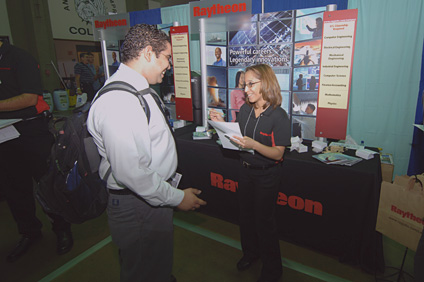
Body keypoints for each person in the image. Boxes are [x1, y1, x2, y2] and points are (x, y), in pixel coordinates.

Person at [87, 24, 206, 282]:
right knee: (143, 270)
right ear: (149, 53)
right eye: (168, 57)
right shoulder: (119, 102)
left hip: (148, 200)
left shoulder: (137, 90)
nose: (170, 65)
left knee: (155, 264)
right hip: (137, 204)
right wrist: (176, 197)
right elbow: (131, 172)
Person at [210, 64, 291, 282]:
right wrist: (221, 125)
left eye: (251, 84)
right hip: (245, 171)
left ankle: (273, 269)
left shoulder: (279, 116)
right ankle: (251, 254)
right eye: (245, 85)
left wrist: (254, 145)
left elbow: (277, 154)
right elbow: (238, 137)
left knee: (265, 222)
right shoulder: (245, 110)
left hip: (267, 175)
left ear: (266, 83)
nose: (246, 89)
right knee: (245, 218)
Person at [0, 39, 73, 262]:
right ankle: (29, 232)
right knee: (15, 189)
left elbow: (30, 98)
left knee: (46, 183)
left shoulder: (19, 58)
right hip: (4, 137)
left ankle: (62, 228)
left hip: (31, 132)